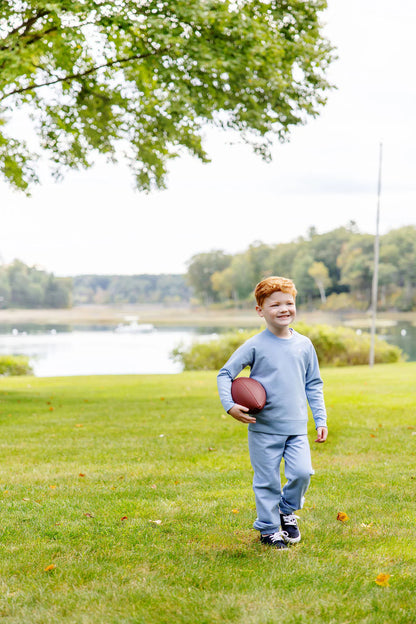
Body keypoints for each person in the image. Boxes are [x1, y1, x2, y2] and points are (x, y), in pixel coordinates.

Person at [217, 276, 328, 549]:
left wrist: (321, 418)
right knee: (266, 481)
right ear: (260, 310)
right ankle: (268, 530)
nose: (283, 309)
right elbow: (225, 373)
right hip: (264, 427)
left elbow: (313, 384)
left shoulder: (304, 345)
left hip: (296, 428)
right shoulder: (255, 344)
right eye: (275, 304)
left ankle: (286, 510)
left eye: (289, 303)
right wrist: (230, 405)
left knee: (302, 473)